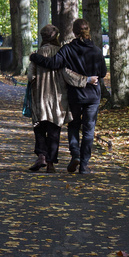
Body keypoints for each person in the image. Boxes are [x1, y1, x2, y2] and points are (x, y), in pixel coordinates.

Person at [29, 18, 106, 174]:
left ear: (74, 31)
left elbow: (52, 64)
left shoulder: (67, 50)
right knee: (88, 130)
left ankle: (74, 154)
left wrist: (34, 57)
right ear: (88, 30)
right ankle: (84, 165)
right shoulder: (97, 51)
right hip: (92, 95)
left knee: (73, 125)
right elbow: (103, 73)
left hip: (75, 94)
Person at [27, 24, 78, 173]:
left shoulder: (38, 54)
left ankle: (41, 155)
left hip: (41, 96)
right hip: (58, 97)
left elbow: (31, 77)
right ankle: (50, 163)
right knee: (54, 130)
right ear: (56, 36)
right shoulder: (62, 52)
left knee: (39, 127)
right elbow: (68, 74)